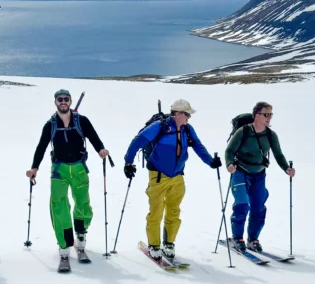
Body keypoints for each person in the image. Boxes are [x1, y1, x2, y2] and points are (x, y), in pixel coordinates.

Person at [123, 99, 221, 263]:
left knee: (174, 211)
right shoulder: (160, 127)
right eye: (187, 114)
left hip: (178, 176)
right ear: (178, 114)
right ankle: (154, 245)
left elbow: (197, 145)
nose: (189, 117)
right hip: (158, 176)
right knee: (156, 211)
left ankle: (169, 243)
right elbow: (138, 141)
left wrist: (210, 161)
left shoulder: (187, 129)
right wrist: (128, 162)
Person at [26, 89, 109, 267]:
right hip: (59, 170)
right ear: (55, 102)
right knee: (59, 206)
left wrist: (101, 149)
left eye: (66, 99)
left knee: (83, 204)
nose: (63, 102)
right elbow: (41, 146)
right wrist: (34, 167)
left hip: (79, 168)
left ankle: (80, 237)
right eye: (59, 99)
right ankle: (64, 246)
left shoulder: (82, 121)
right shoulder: (50, 125)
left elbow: (94, 137)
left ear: (70, 101)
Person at [224, 101, 294, 253]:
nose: (269, 118)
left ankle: (253, 239)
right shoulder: (243, 132)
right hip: (240, 172)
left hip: (259, 174)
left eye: (271, 114)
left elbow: (278, 155)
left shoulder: (270, 135)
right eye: (266, 114)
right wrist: (229, 164)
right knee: (242, 204)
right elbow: (229, 151)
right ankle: (237, 238)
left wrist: (286, 169)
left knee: (259, 207)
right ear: (257, 115)